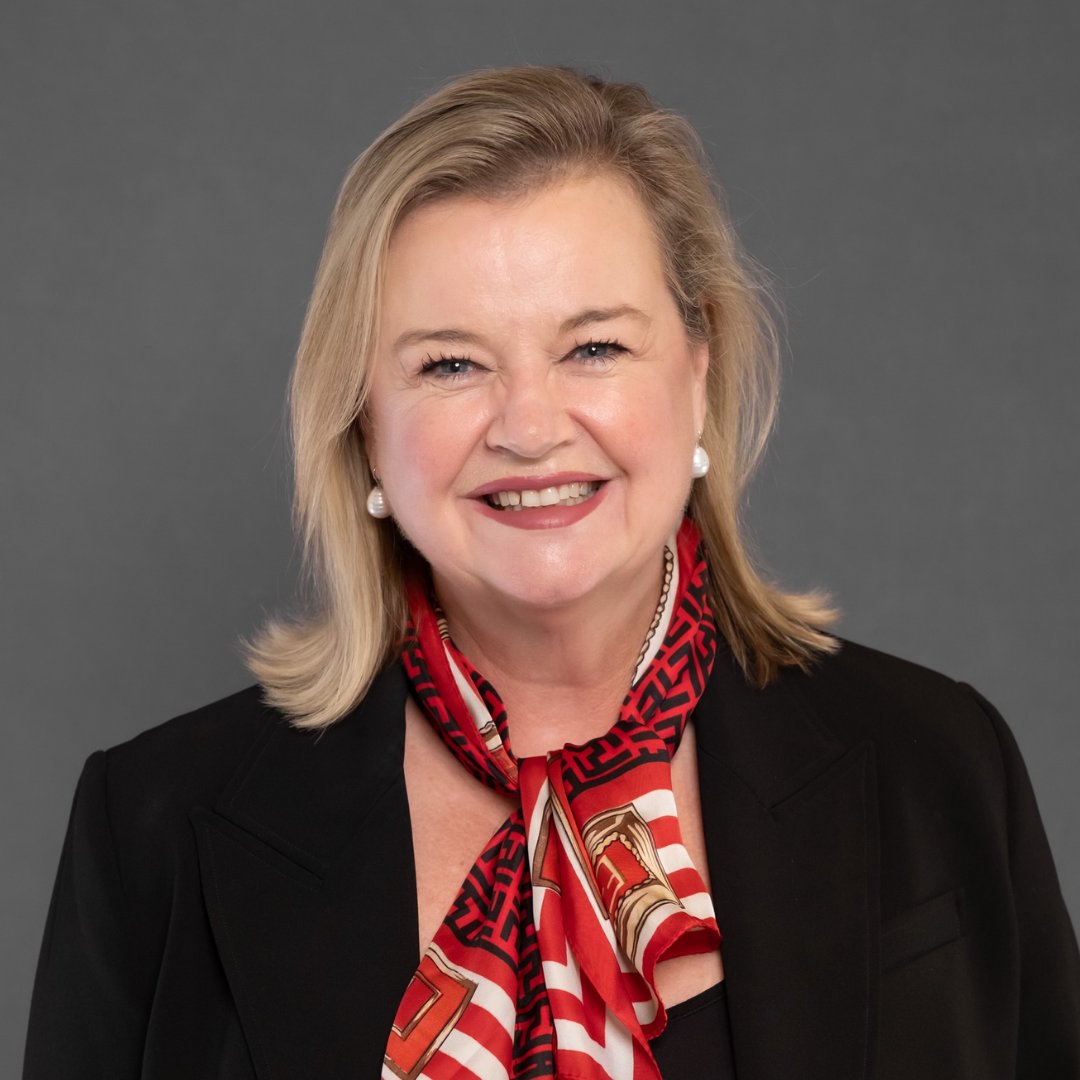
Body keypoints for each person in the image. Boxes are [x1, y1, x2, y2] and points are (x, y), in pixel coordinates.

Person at [23, 66, 1080, 1080]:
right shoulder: (153, 827)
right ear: (365, 426)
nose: (529, 428)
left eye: (594, 348)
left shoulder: (940, 764)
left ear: (697, 371)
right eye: (450, 364)